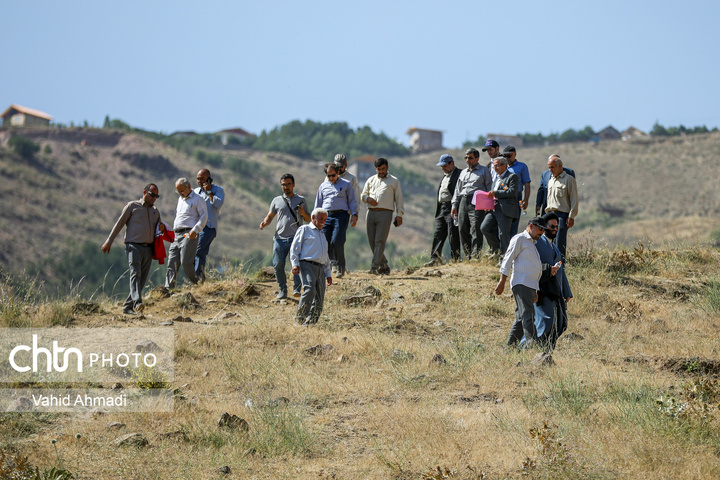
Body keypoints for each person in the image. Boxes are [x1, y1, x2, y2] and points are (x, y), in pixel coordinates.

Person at [102, 183, 165, 315]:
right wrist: (109, 241)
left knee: (142, 279)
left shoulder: (155, 211)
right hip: (133, 246)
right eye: (152, 194)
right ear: (144, 192)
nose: (154, 198)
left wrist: (163, 229)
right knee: (135, 273)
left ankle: (127, 307)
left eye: (156, 196)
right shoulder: (132, 206)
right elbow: (119, 224)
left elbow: (159, 229)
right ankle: (137, 302)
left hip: (148, 248)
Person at [494, 217, 545, 347]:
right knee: (528, 314)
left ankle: (510, 346)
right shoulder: (519, 239)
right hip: (521, 283)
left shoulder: (532, 244)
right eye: (540, 229)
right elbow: (507, 259)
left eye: (543, 230)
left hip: (529, 286)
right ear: (531, 226)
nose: (542, 233)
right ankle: (532, 343)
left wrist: (535, 289)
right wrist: (502, 282)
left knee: (521, 318)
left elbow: (532, 267)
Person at [260, 174, 311, 299]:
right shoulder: (276, 200)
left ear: (293, 184)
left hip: (296, 238)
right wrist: (265, 223)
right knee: (278, 265)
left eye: (288, 184)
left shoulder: (301, 200)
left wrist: (303, 213)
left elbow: (309, 219)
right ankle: (282, 290)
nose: (286, 187)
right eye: (283, 184)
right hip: (280, 238)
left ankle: (297, 289)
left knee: (296, 265)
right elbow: (270, 216)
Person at [533, 212, 572, 351]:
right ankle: (529, 348)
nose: (555, 229)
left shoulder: (555, 247)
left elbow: (561, 271)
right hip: (543, 290)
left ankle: (547, 351)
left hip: (557, 291)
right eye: (552, 226)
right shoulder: (537, 243)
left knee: (561, 323)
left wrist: (566, 291)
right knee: (545, 322)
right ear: (544, 226)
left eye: (557, 227)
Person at [361, 157, 404, 274]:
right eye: (379, 169)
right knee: (372, 241)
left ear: (387, 168)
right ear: (376, 169)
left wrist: (399, 215)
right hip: (371, 212)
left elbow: (399, 199)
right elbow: (363, 195)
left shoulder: (394, 181)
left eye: (383, 169)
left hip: (385, 213)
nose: (381, 171)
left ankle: (374, 268)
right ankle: (383, 264)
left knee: (380, 241)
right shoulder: (370, 180)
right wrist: (368, 199)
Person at [315, 162, 358, 278]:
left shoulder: (346, 184)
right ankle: (329, 266)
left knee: (337, 241)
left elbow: (352, 201)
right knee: (325, 242)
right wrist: (315, 219)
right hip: (326, 216)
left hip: (341, 216)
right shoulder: (323, 186)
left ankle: (340, 267)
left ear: (338, 173)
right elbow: (318, 203)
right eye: (328, 176)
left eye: (333, 175)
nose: (331, 178)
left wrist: (354, 214)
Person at [290, 207, 333, 326]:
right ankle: (300, 318)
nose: (323, 221)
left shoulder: (322, 234)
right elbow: (295, 248)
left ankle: (310, 323)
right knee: (309, 290)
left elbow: (325, 255)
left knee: (320, 297)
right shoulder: (305, 229)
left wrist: (328, 274)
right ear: (313, 218)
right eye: (321, 218)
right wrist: (295, 264)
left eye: (325, 219)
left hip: (321, 269)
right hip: (307, 265)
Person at [165, 178, 208, 289]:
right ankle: (168, 288)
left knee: (185, 261)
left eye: (182, 190)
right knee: (172, 262)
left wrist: (195, 230)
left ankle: (197, 284)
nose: (180, 193)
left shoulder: (198, 199)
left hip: (189, 233)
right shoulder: (180, 199)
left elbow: (204, 216)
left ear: (189, 187)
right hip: (176, 234)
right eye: (178, 191)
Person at [451, 148, 493, 260]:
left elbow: (489, 188)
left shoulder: (484, 171)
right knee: (462, 228)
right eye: (466, 158)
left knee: (476, 229)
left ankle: (476, 255)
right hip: (463, 201)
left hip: (477, 202)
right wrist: (454, 205)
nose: (467, 160)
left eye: (470, 158)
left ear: (477, 158)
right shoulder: (463, 172)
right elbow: (457, 189)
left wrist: (488, 205)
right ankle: (468, 255)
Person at [481, 156, 520, 257]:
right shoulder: (496, 179)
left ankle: (504, 257)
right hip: (493, 209)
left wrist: (496, 193)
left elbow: (512, 192)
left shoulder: (512, 177)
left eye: (497, 166)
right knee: (485, 227)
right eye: (494, 166)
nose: (495, 168)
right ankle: (496, 250)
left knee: (503, 234)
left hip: (505, 209)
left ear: (504, 165)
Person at [427, 154, 462, 266]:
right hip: (441, 208)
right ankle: (435, 258)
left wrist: (455, 206)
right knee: (438, 234)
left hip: (452, 207)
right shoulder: (445, 176)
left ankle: (455, 259)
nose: (443, 168)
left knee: (453, 233)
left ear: (451, 163)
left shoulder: (459, 174)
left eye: (445, 165)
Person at [544, 155, 578, 259]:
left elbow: (574, 199)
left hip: (561, 215)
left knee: (560, 242)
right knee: (548, 241)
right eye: (549, 167)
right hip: (550, 215)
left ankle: (560, 265)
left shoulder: (569, 179)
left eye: (552, 167)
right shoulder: (550, 180)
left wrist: (571, 216)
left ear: (560, 166)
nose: (550, 170)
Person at [194, 168, 224, 282]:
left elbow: (218, 204)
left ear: (209, 179)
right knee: (193, 253)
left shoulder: (218, 190)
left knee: (199, 251)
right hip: (196, 227)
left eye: (202, 179)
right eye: (197, 179)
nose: (199, 181)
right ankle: (198, 279)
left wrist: (209, 192)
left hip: (208, 227)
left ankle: (198, 280)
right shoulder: (196, 191)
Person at [502, 146, 531, 236]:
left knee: (513, 226)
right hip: (503, 197)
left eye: (509, 156)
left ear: (515, 154)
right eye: (505, 156)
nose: (507, 158)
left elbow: (527, 184)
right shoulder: (502, 167)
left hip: (516, 197)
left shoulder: (522, 166)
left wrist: (525, 200)